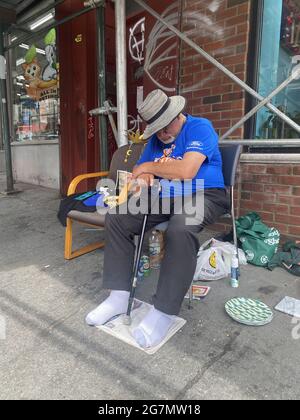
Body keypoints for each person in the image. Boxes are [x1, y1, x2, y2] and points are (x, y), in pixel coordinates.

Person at [85, 89, 229, 348]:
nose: (162, 135)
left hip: (204, 193)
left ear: (177, 116)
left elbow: (186, 170)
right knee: (117, 217)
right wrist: (143, 177)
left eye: (165, 128)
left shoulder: (200, 127)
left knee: (180, 229)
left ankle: (163, 311)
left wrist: (147, 168)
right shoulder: (154, 141)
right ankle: (118, 296)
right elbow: (141, 174)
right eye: (157, 130)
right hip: (166, 195)